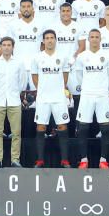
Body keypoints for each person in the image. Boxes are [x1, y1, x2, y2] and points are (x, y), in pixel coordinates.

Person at [73, 29, 109, 169]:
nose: (95, 39)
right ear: (88, 39)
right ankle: (84, 160)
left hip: (102, 95)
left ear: (100, 38)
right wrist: (86, 87)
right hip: (87, 95)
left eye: (97, 37)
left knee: (105, 129)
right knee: (83, 128)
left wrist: (107, 91)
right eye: (92, 37)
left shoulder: (107, 56)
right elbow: (79, 75)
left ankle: (103, 160)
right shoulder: (82, 56)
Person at [31, 29, 71, 168]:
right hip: (43, 98)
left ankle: (64, 160)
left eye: (52, 37)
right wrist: (42, 89)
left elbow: (65, 75)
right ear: (43, 41)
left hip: (59, 97)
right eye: (47, 38)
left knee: (62, 126)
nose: (49, 40)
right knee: (41, 127)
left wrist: (59, 88)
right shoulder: (37, 57)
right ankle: (40, 160)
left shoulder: (63, 57)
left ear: (55, 40)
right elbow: (35, 77)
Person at [0, 37, 28, 168]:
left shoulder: (19, 63)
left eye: (9, 45)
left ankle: (15, 159)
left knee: (16, 132)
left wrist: (15, 93)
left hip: (14, 101)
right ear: (0, 47)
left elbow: (22, 83)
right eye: (4, 45)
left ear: (13, 47)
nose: (6, 47)